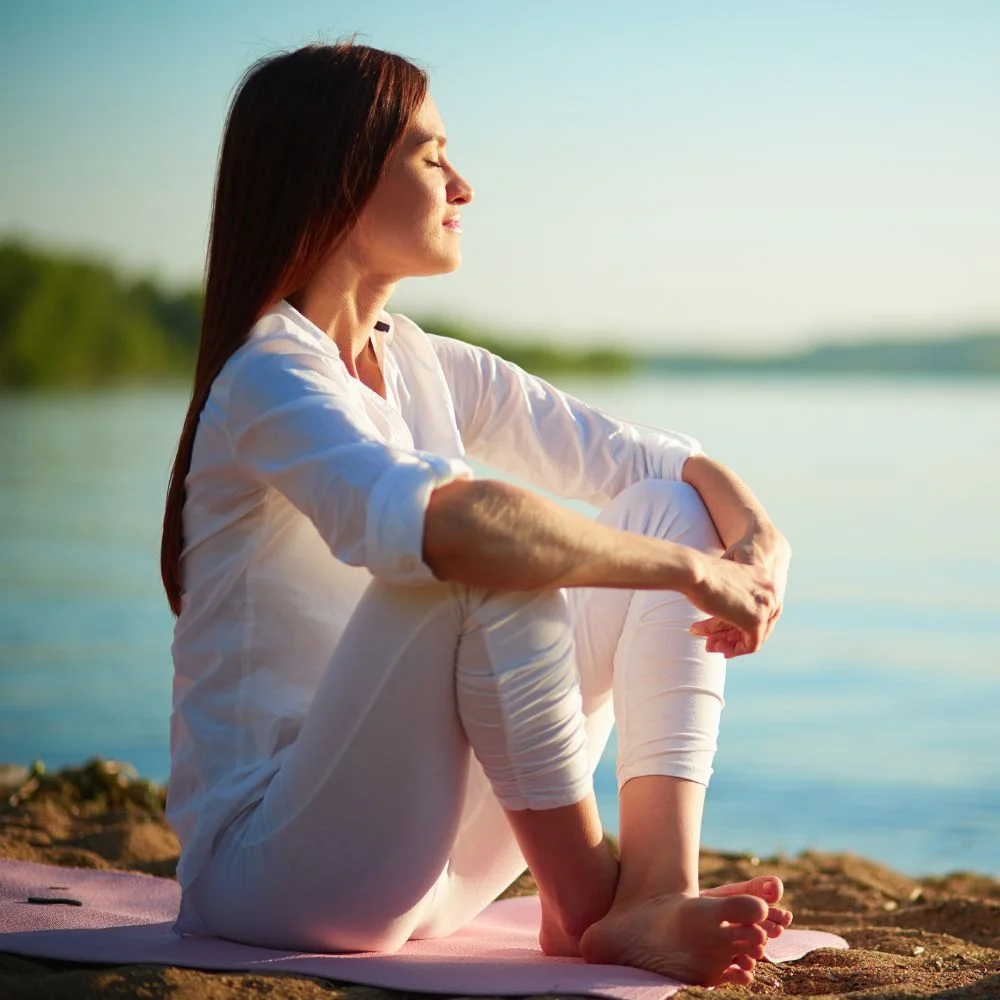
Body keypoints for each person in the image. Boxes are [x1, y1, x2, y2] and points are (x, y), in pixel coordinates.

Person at [160, 42, 794, 989]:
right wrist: (692, 575)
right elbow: (455, 527)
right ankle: (586, 900)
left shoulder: (422, 361)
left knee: (663, 510)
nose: (463, 184)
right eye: (430, 156)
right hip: (275, 871)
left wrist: (757, 541)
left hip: (436, 866)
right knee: (480, 550)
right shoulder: (269, 376)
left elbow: (662, 464)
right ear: (337, 182)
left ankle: (651, 892)